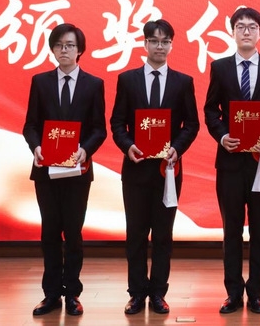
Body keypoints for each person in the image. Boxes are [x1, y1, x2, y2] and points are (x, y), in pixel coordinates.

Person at [204, 6, 260, 315]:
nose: (246, 31)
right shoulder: (220, 68)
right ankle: (233, 293)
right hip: (229, 162)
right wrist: (221, 135)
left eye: (252, 26)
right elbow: (210, 110)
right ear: (233, 32)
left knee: (259, 230)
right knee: (231, 230)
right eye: (240, 26)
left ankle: (255, 293)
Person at [110, 19, 200, 315]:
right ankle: (136, 293)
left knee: (163, 234)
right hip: (135, 170)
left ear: (171, 45)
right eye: (154, 41)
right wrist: (127, 146)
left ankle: (158, 293)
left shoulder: (183, 82)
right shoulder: (128, 80)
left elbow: (192, 124)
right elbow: (117, 122)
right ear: (145, 43)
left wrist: (177, 149)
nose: (159, 46)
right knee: (136, 234)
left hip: (168, 172)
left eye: (165, 41)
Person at [22, 23, 107, 317]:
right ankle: (50, 294)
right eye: (59, 45)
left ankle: (72, 293)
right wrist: (36, 147)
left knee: (72, 232)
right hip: (46, 171)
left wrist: (86, 150)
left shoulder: (93, 84)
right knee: (49, 232)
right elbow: (30, 125)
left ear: (79, 49)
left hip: (77, 171)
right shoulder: (40, 82)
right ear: (52, 49)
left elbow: (99, 129)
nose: (64, 50)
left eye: (70, 45)